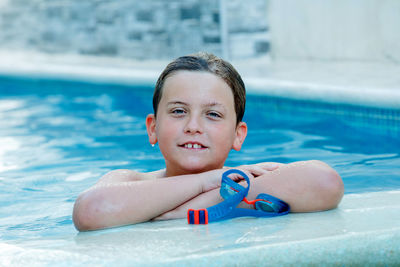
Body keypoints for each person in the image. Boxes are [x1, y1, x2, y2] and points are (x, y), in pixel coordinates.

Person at [73, 52, 344, 231]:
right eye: (179, 111)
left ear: (238, 134)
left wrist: (182, 211)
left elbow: (325, 182)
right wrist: (209, 181)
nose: (193, 127)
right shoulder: (129, 180)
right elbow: (90, 211)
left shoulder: (243, 180)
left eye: (212, 114)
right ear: (153, 128)